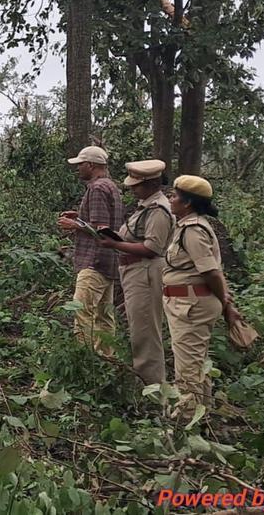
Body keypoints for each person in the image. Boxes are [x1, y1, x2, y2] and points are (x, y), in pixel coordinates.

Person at [160, 175, 242, 417]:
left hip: (191, 306)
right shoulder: (185, 226)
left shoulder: (194, 230)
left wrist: (226, 303)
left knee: (188, 367)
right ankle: (201, 415)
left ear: (187, 203)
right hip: (187, 303)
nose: (170, 199)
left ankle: (187, 420)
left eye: (174, 196)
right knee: (196, 363)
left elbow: (211, 273)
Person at [98, 159, 174, 384]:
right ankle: (146, 385)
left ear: (151, 184)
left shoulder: (159, 209)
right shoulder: (146, 206)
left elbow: (152, 248)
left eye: (136, 185)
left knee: (146, 333)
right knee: (138, 330)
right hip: (135, 271)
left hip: (146, 273)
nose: (132, 189)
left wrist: (114, 245)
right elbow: (135, 236)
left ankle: (153, 390)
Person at [57, 146, 124, 356]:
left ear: (91, 165)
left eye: (80, 165)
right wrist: (79, 215)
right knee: (104, 316)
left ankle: (83, 360)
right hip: (108, 262)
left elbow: (101, 230)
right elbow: (105, 220)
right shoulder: (110, 186)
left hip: (94, 262)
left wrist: (74, 225)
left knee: (82, 311)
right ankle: (106, 359)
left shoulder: (96, 189)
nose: (77, 169)